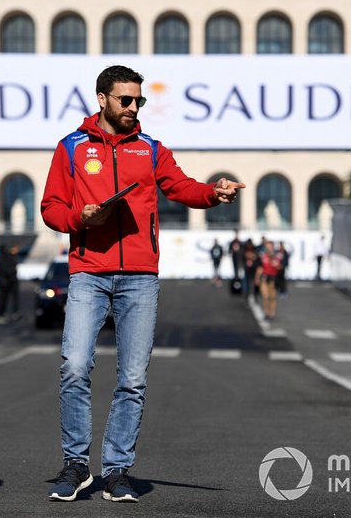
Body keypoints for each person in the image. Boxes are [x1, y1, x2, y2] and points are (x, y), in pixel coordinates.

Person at [40, 65, 243, 503]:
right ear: (102, 99)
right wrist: (81, 218)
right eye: (125, 100)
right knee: (75, 366)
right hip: (88, 273)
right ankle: (76, 465)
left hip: (140, 278)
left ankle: (116, 470)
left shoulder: (151, 148)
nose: (134, 108)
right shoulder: (71, 147)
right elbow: (51, 208)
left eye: (139, 101)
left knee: (132, 379)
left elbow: (182, 187)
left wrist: (213, 193)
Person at [0, 244, 20, 323]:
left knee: (4, 299)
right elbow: (8, 270)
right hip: (6, 281)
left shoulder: (1, 258)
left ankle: (4, 313)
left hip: (5, 281)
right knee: (3, 299)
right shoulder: (6, 258)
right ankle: (0, 314)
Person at [256, 240, 282, 320]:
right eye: (267, 247)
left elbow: (280, 268)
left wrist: (276, 264)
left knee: (272, 297)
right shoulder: (263, 256)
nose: (269, 248)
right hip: (265, 277)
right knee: (265, 296)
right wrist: (257, 278)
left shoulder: (277, 257)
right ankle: (266, 312)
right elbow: (260, 268)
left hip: (273, 278)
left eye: (270, 247)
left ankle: (272, 313)